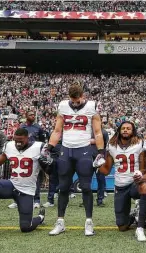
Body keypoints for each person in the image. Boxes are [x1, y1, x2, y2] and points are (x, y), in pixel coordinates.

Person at [46, 83, 106, 236]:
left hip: (84, 149)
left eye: (77, 100)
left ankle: (89, 222)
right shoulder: (63, 106)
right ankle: (60, 222)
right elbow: (57, 130)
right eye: (72, 100)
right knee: (64, 187)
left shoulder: (92, 106)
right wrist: (49, 148)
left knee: (86, 187)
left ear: (83, 97)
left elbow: (98, 132)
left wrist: (100, 151)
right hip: (66, 149)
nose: (75, 103)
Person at [99, 121, 146, 242]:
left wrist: (141, 174)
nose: (125, 130)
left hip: (135, 183)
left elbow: (144, 166)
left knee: (145, 187)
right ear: (119, 130)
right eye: (123, 128)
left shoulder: (139, 143)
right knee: (122, 226)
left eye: (128, 128)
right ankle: (133, 217)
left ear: (133, 131)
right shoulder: (112, 145)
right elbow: (106, 170)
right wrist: (97, 165)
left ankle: (144, 218)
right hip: (120, 186)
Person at [9, 111, 46, 209]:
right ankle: (17, 201)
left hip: (35, 155)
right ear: (26, 116)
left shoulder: (38, 127)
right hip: (22, 155)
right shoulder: (21, 127)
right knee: (19, 178)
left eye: (34, 115)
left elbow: (42, 141)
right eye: (30, 115)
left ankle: (36, 200)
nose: (33, 116)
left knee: (36, 179)